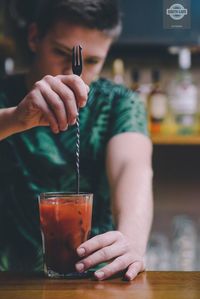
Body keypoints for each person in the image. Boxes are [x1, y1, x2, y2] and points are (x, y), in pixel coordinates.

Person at [0, 0, 153, 280]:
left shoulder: (119, 102)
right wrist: (15, 119)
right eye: (60, 52)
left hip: (95, 280)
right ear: (34, 37)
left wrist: (132, 241)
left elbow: (132, 168)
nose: (73, 74)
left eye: (91, 61)